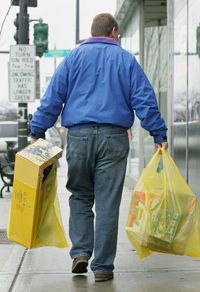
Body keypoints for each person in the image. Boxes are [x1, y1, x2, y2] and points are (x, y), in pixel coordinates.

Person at [30, 13, 168, 282]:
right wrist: (158, 132)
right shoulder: (126, 60)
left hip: (79, 137)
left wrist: (37, 130)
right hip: (114, 138)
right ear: (114, 31)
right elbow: (144, 100)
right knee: (107, 203)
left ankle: (80, 252)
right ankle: (103, 267)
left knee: (80, 195)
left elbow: (52, 98)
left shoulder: (73, 58)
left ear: (93, 32)